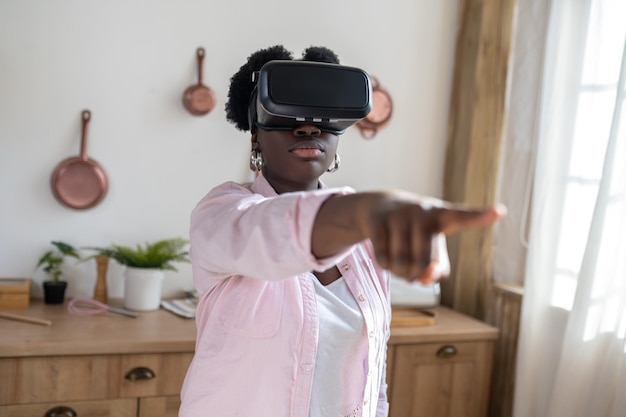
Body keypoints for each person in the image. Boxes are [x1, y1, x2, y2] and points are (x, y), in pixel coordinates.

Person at [179, 45, 504, 417]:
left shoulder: (365, 243)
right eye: (287, 115)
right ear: (255, 135)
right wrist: (370, 210)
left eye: (322, 117)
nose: (307, 127)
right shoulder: (222, 215)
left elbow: (373, 378)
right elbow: (271, 232)